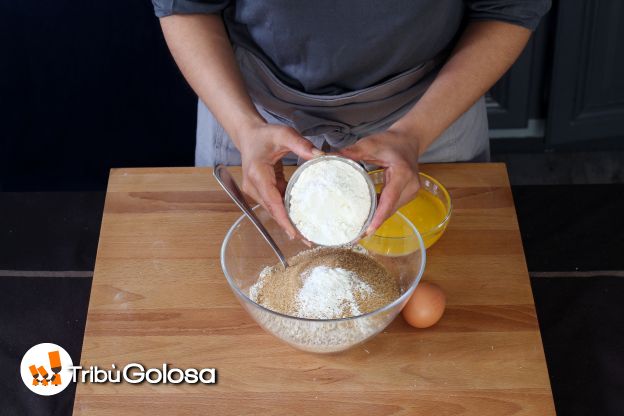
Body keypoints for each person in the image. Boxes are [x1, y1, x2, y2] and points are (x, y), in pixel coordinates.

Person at [152, 1, 550, 238]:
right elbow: (186, 8)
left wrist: (414, 133)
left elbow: (508, 9)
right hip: (250, 114)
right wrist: (245, 128)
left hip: (432, 112)